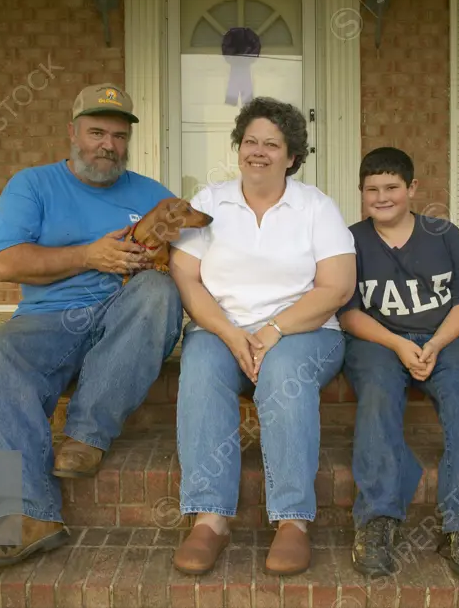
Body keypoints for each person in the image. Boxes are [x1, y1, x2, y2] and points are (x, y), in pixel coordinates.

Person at [0, 84, 184, 570]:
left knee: (160, 291)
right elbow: (5, 262)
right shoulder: (32, 185)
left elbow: (196, 260)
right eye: (97, 132)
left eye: (119, 136)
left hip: (128, 317)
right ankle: (28, 516)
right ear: (72, 132)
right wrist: (89, 255)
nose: (108, 145)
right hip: (49, 320)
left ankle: (86, 437)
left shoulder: (152, 195)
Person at [168, 97, 356, 576]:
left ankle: (293, 520)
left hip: (306, 330)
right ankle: (210, 517)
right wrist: (231, 334)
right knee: (202, 367)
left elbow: (337, 286)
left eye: (272, 144)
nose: (258, 151)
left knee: (285, 371)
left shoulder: (316, 207)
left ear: (292, 156)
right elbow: (186, 277)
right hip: (222, 325)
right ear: (238, 148)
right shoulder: (210, 202)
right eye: (250, 141)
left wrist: (274, 329)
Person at [337, 146, 459, 579]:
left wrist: (437, 342)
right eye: (372, 189)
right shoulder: (350, 241)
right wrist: (397, 344)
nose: (382, 196)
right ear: (361, 193)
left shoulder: (443, 233)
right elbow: (348, 313)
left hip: (444, 337)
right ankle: (377, 519)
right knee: (377, 396)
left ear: (412, 188)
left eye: (391, 187)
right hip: (378, 339)